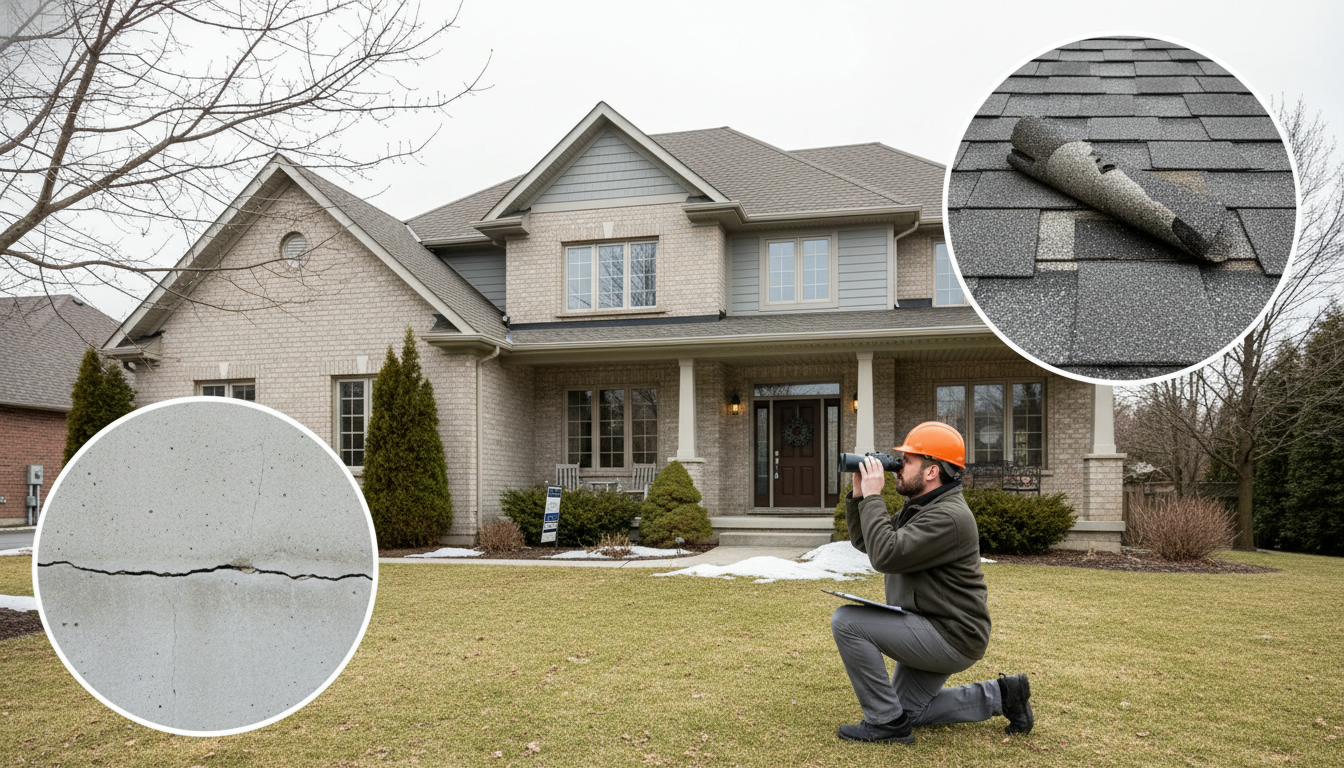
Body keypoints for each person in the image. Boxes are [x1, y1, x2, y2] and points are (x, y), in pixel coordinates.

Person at [831, 421, 1033, 744]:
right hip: (932, 623)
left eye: (906, 461)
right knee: (909, 712)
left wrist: (873, 496)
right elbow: (866, 542)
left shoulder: (949, 517)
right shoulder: (924, 506)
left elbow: (886, 555)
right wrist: (859, 495)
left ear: (931, 472)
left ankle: (886, 726)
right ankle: (1003, 694)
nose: (897, 467)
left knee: (846, 621)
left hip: (950, 633)